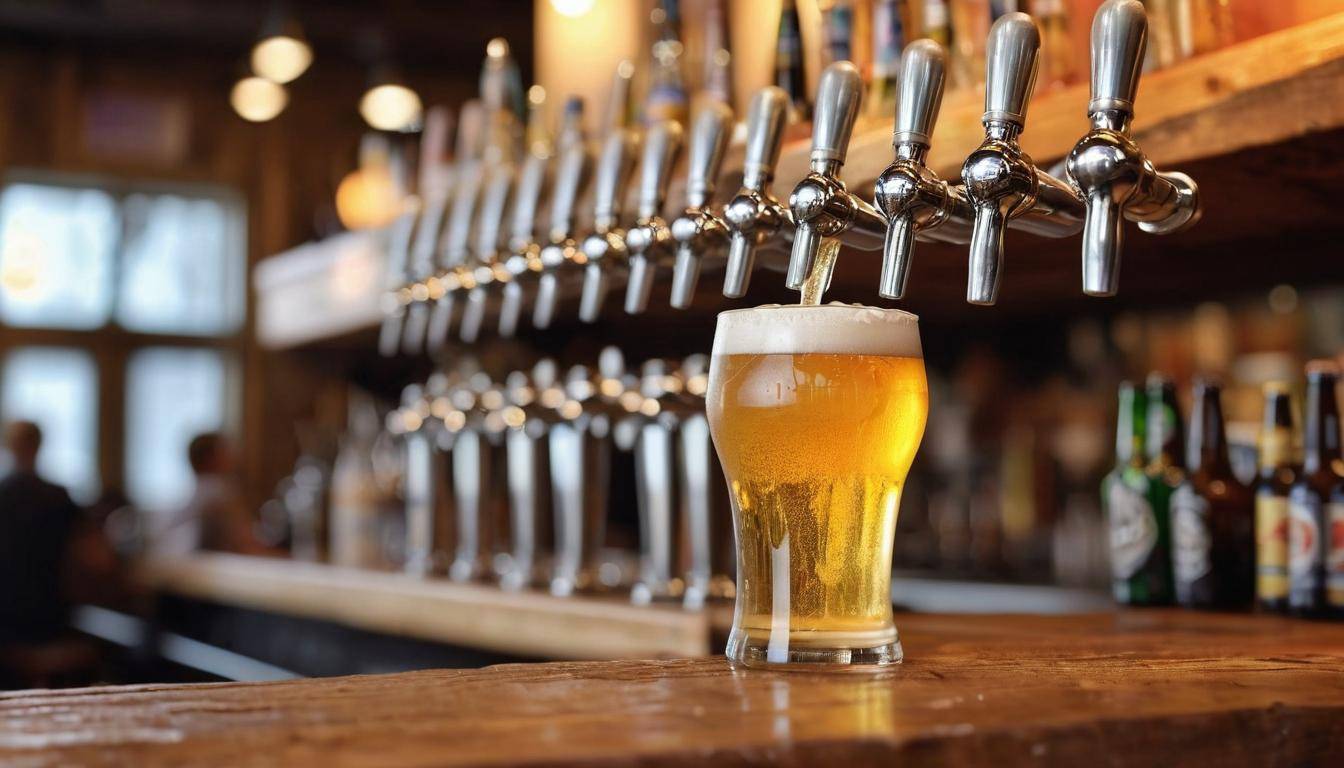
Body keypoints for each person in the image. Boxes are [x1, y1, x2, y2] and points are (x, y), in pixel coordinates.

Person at [0, 421, 80, 645]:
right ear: (39, 445)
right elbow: (92, 555)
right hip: (50, 618)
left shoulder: (3, 494)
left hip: (7, 621)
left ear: (8, 446)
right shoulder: (57, 495)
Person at [156, 432, 271, 556]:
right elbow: (245, 543)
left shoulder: (197, 493)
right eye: (226, 450)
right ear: (212, 458)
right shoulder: (218, 493)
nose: (234, 456)